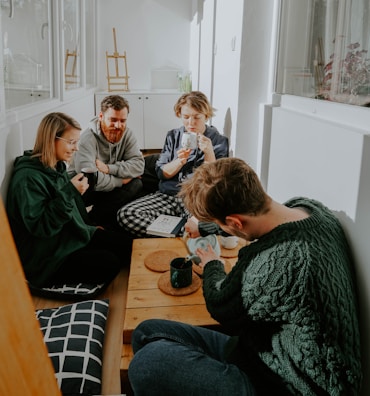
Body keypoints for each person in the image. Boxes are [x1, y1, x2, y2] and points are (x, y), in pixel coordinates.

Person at [128, 157, 362, 396]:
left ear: (234, 221)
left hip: (286, 384)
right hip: (260, 351)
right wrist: (207, 227)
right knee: (145, 331)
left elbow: (220, 303)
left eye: (221, 223)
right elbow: (241, 223)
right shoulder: (308, 208)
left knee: (146, 365)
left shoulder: (276, 264)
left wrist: (212, 264)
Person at [6, 112, 133, 288]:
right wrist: (69, 192)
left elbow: (73, 208)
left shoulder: (56, 167)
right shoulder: (27, 179)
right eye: (71, 142)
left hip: (69, 237)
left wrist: (88, 228)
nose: (76, 148)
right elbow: (42, 227)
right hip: (48, 258)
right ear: (52, 139)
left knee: (128, 246)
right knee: (110, 263)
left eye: (76, 142)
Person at [117, 91, 229, 237]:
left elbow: (216, 181)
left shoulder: (218, 141)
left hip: (195, 199)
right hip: (168, 196)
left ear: (206, 116)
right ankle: (182, 233)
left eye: (197, 117)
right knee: (126, 214)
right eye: (186, 117)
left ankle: (174, 229)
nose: (191, 123)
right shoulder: (173, 135)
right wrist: (179, 161)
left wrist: (209, 153)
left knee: (208, 223)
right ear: (179, 115)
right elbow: (161, 172)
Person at [70, 94, 145, 229]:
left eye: (123, 121)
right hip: (82, 190)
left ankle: (100, 217)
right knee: (128, 183)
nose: (118, 125)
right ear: (101, 117)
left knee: (137, 183)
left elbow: (139, 165)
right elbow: (91, 180)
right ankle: (91, 223)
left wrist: (109, 168)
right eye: (113, 120)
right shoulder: (86, 139)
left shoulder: (127, 134)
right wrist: (121, 180)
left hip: (106, 182)